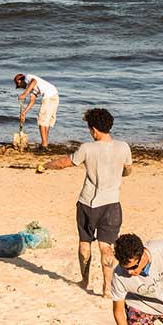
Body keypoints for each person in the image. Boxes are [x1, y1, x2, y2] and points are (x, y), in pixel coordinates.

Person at [37, 108, 132, 296]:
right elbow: (128, 170)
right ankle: (107, 288)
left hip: (88, 203)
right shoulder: (123, 147)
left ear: (94, 129)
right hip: (112, 204)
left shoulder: (87, 148)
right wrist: (120, 173)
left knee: (84, 243)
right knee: (106, 247)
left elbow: (65, 162)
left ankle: (85, 280)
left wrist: (45, 165)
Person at [14, 73, 60, 147]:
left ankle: (44, 144)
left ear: (20, 80)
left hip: (49, 97)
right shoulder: (31, 88)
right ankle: (45, 142)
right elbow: (32, 101)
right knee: (46, 122)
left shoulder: (27, 77)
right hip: (55, 95)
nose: (20, 87)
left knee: (41, 121)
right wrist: (24, 112)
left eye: (18, 85)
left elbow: (34, 81)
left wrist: (25, 94)